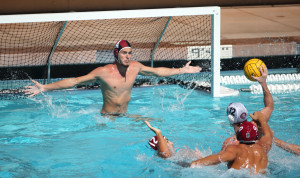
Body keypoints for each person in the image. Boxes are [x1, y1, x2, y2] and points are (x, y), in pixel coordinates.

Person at [24, 40, 202, 116]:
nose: (128, 56)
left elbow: (157, 72)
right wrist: (45, 88)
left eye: (130, 53)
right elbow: (75, 81)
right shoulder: (103, 72)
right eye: (124, 53)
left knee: (157, 124)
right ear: (116, 54)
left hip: (125, 116)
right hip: (106, 119)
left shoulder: (135, 67)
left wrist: (181, 70)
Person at [190, 111, 273, 174]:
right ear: (257, 135)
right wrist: (261, 119)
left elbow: (219, 158)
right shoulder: (264, 147)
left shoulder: (235, 150)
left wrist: (195, 163)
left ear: (238, 136)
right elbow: (268, 135)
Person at [221, 65, 274, 151]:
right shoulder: (256, 125)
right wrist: (263, 83)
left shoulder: (230, 143)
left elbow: (218, 160)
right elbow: (269, 106)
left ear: (230, 118)